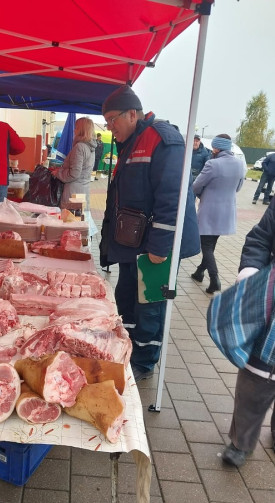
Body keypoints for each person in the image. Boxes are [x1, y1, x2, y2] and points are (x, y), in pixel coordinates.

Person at [99, 84, 200, 382]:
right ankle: (126, 348)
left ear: (132, 114)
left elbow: (173, 199)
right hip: (134, 242)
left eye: (112, 120)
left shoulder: (162, 140)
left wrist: (160, 247)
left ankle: (144, 360)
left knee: (151, 303)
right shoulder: (132, 139)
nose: (110, 128)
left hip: (157, 245)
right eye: (106, 123)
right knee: (127, 295)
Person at [207, 198, 275, 466]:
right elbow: (259, 239)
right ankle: (241, 442)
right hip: (271, 304)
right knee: (255, 380)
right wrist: (250, 273)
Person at [191, 134, 244, 294]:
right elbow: (239, 187)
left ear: (216, 147)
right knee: (211, 244)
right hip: (227, 212)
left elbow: (195, 186)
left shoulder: (213, 164)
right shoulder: (240, 164)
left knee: (206, 246)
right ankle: (200, 272)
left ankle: (214, 280)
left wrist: (203, 195)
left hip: (210, 211)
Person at [52, 117, 97, 210]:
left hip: (73, 193)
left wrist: (58, 173)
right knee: (79, 219)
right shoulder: (91, 148)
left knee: (70, 220)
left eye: (76, 127)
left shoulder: (80, 147)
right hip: (83, 190)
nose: (74, 130)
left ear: (81, 130)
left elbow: (74, 174)